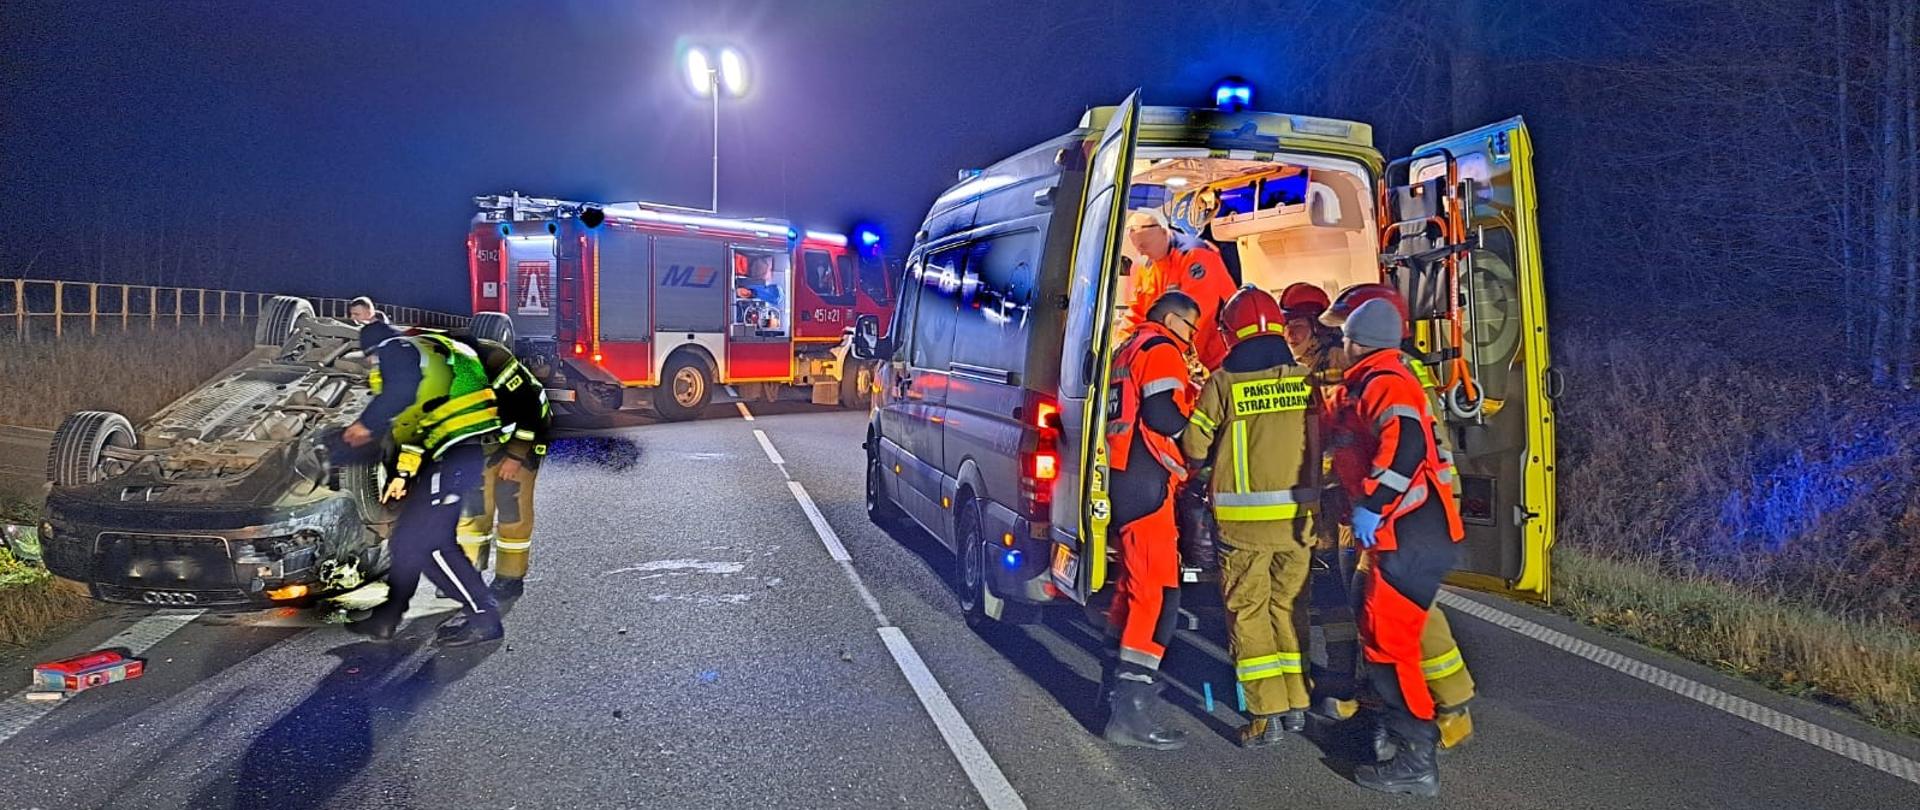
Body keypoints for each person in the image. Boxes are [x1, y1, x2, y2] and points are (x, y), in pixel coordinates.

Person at [1321, 284, 1477, 749]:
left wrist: (1372, 505)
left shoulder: (1388, 379)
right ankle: (1391, 710)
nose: (1335, 345)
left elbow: (1405, 446)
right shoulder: (1373, 377)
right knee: (1373, 614)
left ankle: (1447, 709)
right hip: (1394, 514)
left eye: (1341, 335)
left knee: (1411, 622)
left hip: (1407, 515)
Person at [1179, 286, 1320, 747]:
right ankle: (1298, 701)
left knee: (1249, 614)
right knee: (1288, 609)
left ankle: (1265, 716)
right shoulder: (1305, 380)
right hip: (1299, 524)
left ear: (1230, 332)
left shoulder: (1223, 383)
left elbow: (1194, 448)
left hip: (1243, 528)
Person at [340, 320, 506, 647]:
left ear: (376, 349)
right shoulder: (430, 350)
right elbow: (422, 416)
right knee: (406, 541)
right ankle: (387, 619)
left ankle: (485, 619)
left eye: (370, 359)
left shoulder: (398, 350)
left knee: (432, 543)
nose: (373, 367)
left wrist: (365, 424)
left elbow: (407, 398)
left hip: (449, 455)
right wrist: (404, 472)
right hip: (450, 452)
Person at [1100, 290, 1202, 750]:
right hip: (1148, 485)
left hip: (1127, 480)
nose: (1192, 339)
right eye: (1192, 327)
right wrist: (1200, 434)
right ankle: (1131, 712)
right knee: (1157, 597)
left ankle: (1114, 688)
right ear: (1174, 320)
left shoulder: (1129, 346)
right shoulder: (1161, 349)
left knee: (1131, 589)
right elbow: (1163, 416)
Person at [452, 335, 552, 600]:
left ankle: (510, 578)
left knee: (511, 508)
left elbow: (528, 408)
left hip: (523, 435)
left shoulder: (492, 359)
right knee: (474, 508)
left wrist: (515, 457)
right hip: (483, 442)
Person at [1122, 209, 1238, 369]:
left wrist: (1163, 357)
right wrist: (1120, 350)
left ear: (1163, 233)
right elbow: (1135, 315)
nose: (1140, 252)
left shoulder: (1196, 256)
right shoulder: (1142, 264)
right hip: (1172, 356)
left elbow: (1195, 320)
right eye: (1137, 247)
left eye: (1144, 246)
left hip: (1215, 361)